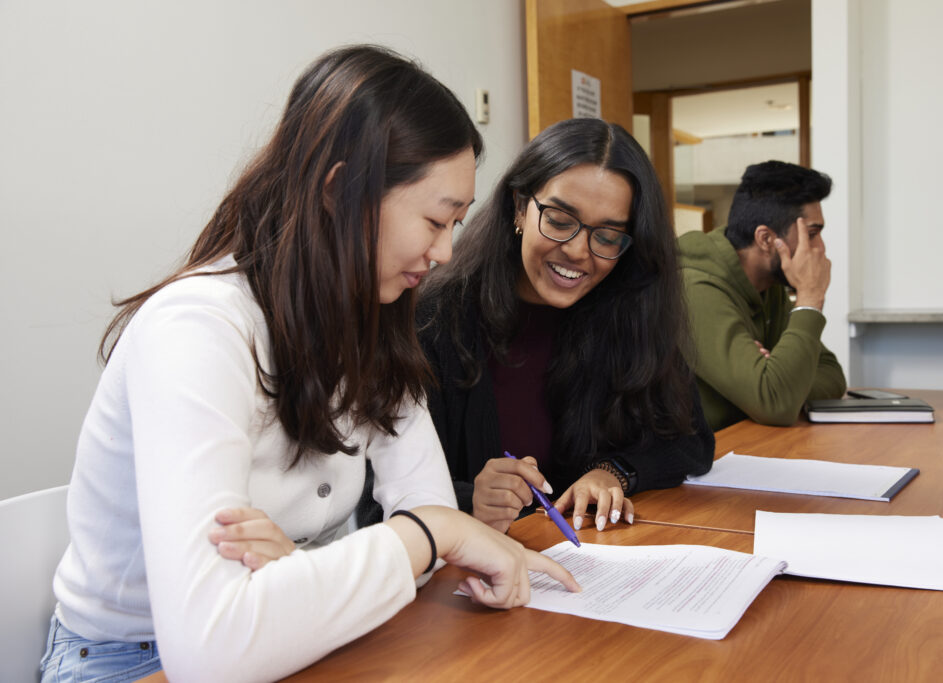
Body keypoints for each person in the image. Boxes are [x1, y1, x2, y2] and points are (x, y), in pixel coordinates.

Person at [42, 45, 577, 683]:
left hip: (305, 627)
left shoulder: (373, 320)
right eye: (436, 220)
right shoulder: (198, 328)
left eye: (458, 223)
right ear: (338, 192)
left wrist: (300, 567)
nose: (444, 252)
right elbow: (210, 650)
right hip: (133, 663)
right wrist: (431, 533)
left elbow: (426, 523)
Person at [404, 117, 714, 536]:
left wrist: (613, 472)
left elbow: (691, 442)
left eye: (607, 236)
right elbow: (379, 498)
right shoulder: (434, 319)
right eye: (560, 219)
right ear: (519, 207)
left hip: (587, 566)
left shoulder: (628, 310)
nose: (577, 251)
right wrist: (469, 499)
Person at [678, 159, 847, 431]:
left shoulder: (770, 287)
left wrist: (781, 380)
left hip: (743, 450)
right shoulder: (693, 288)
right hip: (688, 466)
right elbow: (777, 402)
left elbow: (832, 375)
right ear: (766, 239)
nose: (820, 248)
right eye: (812, 234)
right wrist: (810, 297)